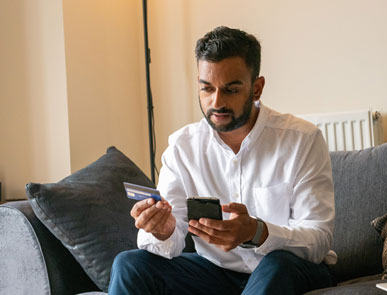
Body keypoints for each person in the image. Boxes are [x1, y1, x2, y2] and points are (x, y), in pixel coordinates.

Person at [108, 26, 336, 295]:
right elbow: (170, 239)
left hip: (289, 268)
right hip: (215, 273)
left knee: (277, 265)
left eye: (231, 90)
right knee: (129, 264)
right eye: (207, 89)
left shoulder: (302, 139)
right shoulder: (182, 147)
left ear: (257, 88)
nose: (216, 102)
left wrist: (258, 232)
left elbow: (319, 237)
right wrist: (164, 230)